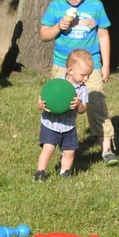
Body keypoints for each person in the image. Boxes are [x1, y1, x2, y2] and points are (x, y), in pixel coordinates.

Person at [40, 0, 118, 166]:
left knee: (97, 106)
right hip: (63, 67)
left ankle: (107, 149)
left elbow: (103, 34)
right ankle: (61, 148)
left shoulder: (95, 6)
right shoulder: (56, 7)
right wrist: (59, 27)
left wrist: (106, 64)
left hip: (91, 66)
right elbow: (43, 35)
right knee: (61, 106)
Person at [34, 49, 93, 182]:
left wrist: (79, 105)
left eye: (88, 75)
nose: (86, 78)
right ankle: (40, 171)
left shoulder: (83, 89)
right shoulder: (56, 85)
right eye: (83, 75)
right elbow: (42, 102)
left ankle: (64, 171)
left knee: (70, 151)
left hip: (69, 127)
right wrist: (40, 105)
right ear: (70, 70)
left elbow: (83, 109)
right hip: (50, 124)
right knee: (48, 148)